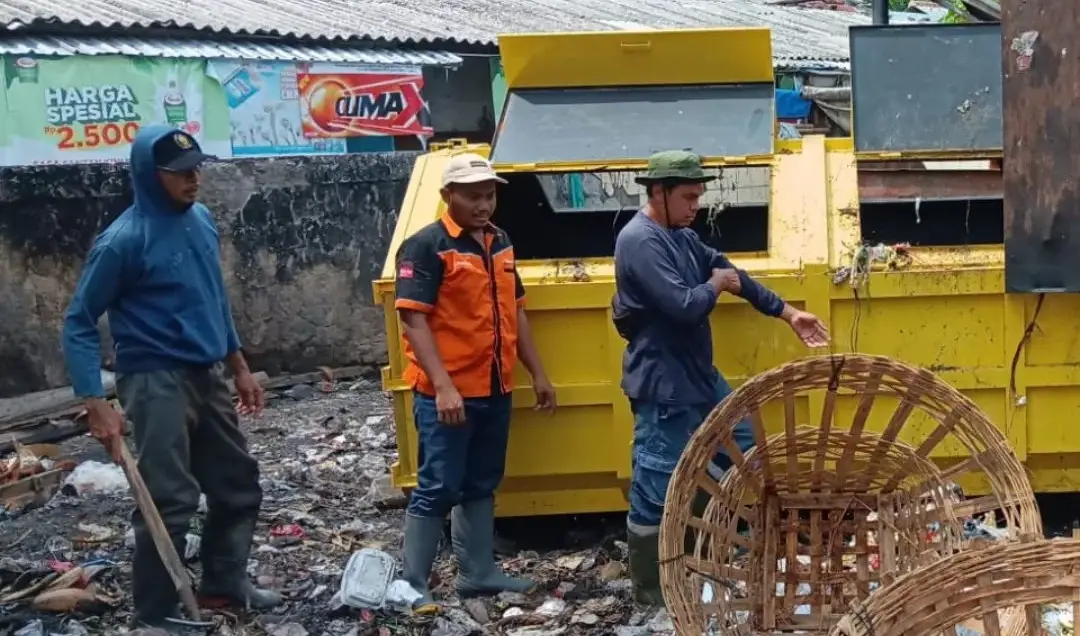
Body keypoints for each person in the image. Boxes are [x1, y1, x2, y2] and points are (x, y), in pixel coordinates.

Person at [61, 125, 282, 631]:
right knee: (170, 497)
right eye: (180, 173)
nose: (193, 180)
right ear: (149, 174)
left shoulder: (201, 221)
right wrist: (96, 401)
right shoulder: (122, 241)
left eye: (196, 169)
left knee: (237, 484)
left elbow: (213, 299)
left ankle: (224, 583)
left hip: (206, 374)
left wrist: (240, 367)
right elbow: (78, 320)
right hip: (154, 378)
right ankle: (156, 613)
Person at [612, 150, 830, 605]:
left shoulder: (682, 236)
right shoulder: (639, 241)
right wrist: (715, 285)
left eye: (698, 196)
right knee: (656, 485)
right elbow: (686, 305)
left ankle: (754, 548)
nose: (696, 206)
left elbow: (736, 275)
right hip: (664, 386)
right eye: (688, 196)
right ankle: (652, 595)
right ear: (658, 191)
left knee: (747, 448)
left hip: (699, 378)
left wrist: (788, 313)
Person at [393, 153, 557, 612]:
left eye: (489, 195)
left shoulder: (500, 241)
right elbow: (414, 321)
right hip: (448, 393)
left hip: (495, 388)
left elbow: (515, 310)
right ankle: (412, 584)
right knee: (438, 485)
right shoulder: (426, 246)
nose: (483, 205)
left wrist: (537, 373)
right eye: (473, 196)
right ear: (449, 196)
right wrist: (443, 386)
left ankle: (477, 573)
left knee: (482, 481)